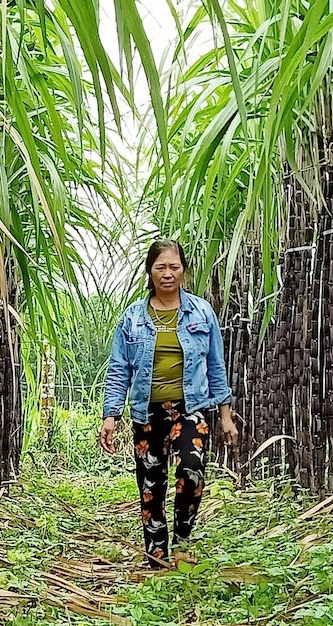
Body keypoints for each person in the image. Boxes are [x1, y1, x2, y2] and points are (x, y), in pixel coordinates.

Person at [98, 239, 239, 566]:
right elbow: (119, 368)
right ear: (150, 271)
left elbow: (216, 365)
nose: (167, 273)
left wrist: (226, 414)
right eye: (160, 267)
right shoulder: (132, 318)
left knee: (191, 469)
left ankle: (183, 540)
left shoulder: (202, 311)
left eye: (173, 266)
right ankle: (157, 556)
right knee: (152, 484)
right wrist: (111, 415)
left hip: (191, 408)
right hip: (147, 411)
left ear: (183, 270)